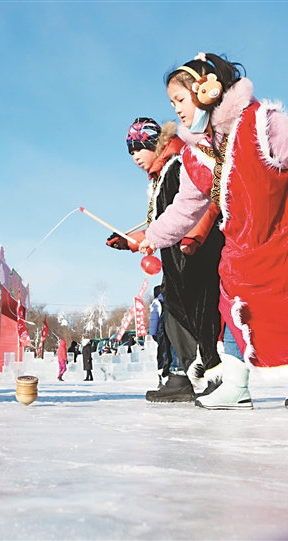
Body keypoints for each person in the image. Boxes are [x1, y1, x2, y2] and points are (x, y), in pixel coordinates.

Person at [139, 52, 288, 410]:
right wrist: (152, 236)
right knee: (234, 303)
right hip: (244, 243)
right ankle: (236, 384)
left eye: (180, 99)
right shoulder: (196, 154)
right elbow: (186, 207)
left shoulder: (261, 122)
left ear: (208, 90)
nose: (176, 109)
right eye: (172, 102)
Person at [109, 117, 225, 403]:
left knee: (201, 314)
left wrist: (192, 237)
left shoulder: (177, 167)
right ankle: (180, 375)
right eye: (130, 151)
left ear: (154, 143)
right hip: (176, 260)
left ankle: (217, 377)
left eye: (139, 147)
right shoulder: (162, 176)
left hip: (195, 255)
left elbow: (195, 207)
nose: (135, 155)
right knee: (172, 309)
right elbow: (162, 225)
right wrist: (131, 241)